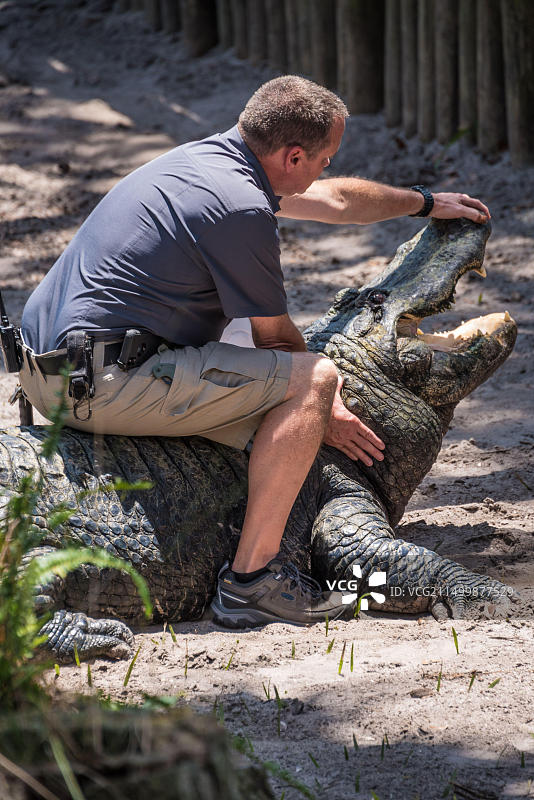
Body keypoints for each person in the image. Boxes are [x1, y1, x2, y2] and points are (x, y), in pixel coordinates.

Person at [18, 76, 490, 629]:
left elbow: (336, 200)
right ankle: (253, 581)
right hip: (102, 386)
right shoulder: (240, 209)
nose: (326, 170)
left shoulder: (204, 162)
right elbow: (278, 343)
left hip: (44, 371)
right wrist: (327, 409)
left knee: (268, 389)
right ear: (292, 156)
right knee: (312, 378)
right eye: (324, 159)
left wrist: (426, 203)